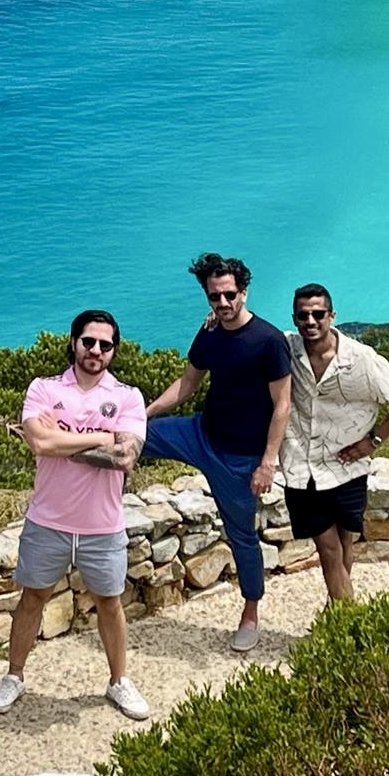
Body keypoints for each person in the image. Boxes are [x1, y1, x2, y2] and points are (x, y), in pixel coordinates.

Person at [0, 309, 150, 720]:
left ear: (114, 350)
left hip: (103, 526)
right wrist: (100, 437)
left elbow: (126, 457)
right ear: (74, 342)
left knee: (110, 604)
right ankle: (14, 675)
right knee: (32, 598)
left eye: (105, 344)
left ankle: (118, 681)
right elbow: (39, 442)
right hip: (48, 521)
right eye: (88, 341)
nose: (96, 350)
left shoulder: (128, 396)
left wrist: (63, 440)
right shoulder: (43, 388)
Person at [145, 253, 291, 653]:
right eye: (215, 297)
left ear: (243, 292)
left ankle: (250, 613)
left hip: (241, 457)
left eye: (229, 295)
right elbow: (187, 383)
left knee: (242, 535)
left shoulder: (269, 341)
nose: (223, 304)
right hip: (200, 433)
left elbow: (283, 406)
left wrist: (267, 462)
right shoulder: (209, 333)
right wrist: (142, 415)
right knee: (132, 441)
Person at [283, 283, 389, 602]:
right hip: (302, 467)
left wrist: (372, 442)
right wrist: (217, 318)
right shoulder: (286, 349)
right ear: (294, 319)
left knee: (346, 544)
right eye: (303, 315)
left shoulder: (361, 359)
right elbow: (249, 334)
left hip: (347, 466)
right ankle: (349, 619)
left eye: (318, 314)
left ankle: (337, 616)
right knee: (329, 548)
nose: (311, 321)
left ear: (332, 316)